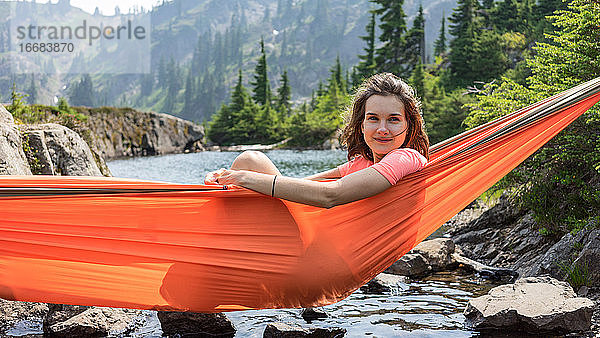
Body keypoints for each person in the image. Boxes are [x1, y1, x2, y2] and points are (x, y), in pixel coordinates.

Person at [204, 73, 429, 208]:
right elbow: (302, 183)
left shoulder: (405, 157)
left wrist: (243, 178)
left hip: (332, 254)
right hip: (322, 236)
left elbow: (330, 194)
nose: (382, 129)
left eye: (393, 120)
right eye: (373, 119)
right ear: (361, 126)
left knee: (248, 168)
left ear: (409, 126)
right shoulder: (362, 164)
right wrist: (229, 178)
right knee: (251, 160)